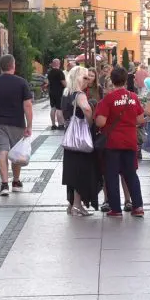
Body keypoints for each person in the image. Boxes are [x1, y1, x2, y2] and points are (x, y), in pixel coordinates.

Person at [94, 66, 145, 217]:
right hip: (130, 141)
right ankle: (138, 207)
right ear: (125, 79)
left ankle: (115, 209)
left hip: (112, 143)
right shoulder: (133, 97)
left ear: (112, 79)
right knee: (131, 175)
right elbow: (140, 119)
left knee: (111, 175)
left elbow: (101, 122)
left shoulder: (108, 99)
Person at [0, 54, 33, 197]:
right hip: (17, 123)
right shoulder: (21, 82)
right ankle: (16, 182)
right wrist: (29, 125)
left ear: (1, 67)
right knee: (16, 152)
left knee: (2, 152)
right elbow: (28, 106)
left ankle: (4, 184)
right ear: (13, 65)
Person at [61, 66, 101, 216]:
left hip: (70, 138)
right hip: (81, 139)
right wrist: (90, 122)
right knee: (81, 171)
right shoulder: (79, 94)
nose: (87, 81)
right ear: (77, 78)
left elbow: (61, 114)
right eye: (85, 78)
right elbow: (87, 109)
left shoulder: (66, 93)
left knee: (72, 172)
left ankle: (72, 205)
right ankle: (77, 205)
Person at [47, 59, 67, 130]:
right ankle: (60, 124)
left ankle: (53, 125)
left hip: (51, 92)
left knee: (53, 108)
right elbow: (64, 83)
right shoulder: (60, 72)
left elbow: (48, 82)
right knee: (59, 108)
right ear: (58, 64)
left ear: (53, 64)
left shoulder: (49, 72)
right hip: (59, 92)